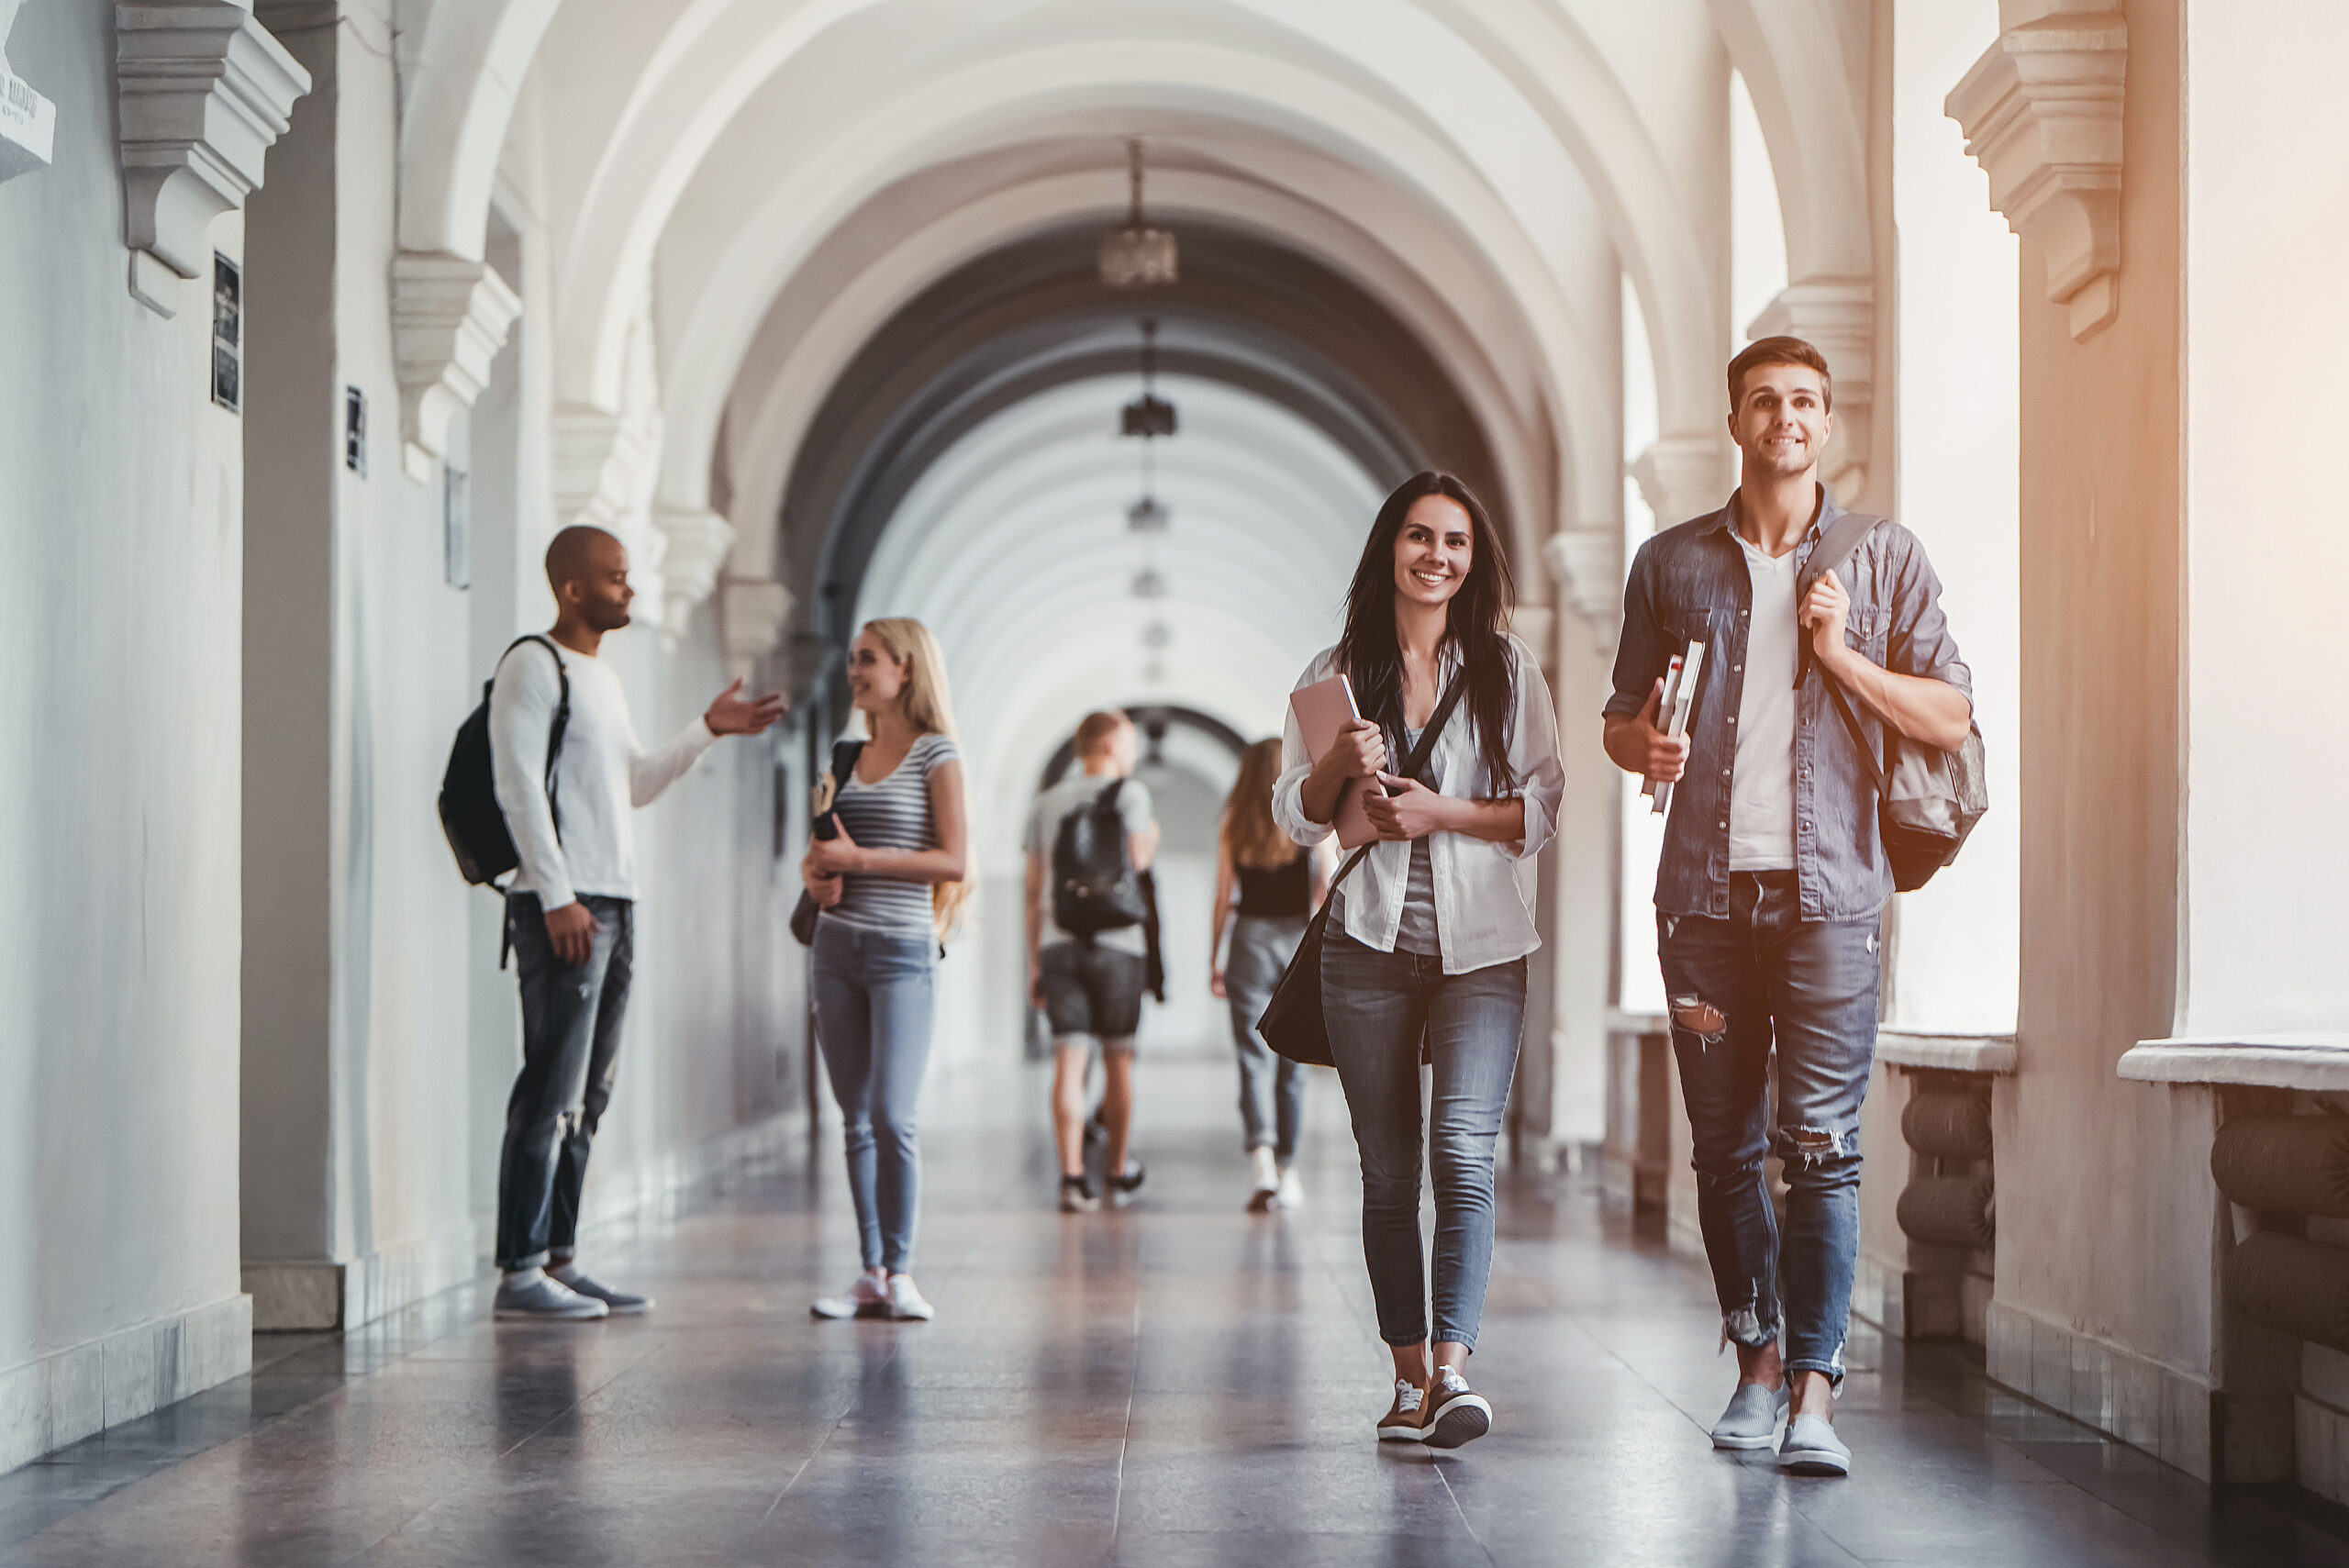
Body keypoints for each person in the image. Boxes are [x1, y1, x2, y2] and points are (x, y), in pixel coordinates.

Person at [1602, 337, 1973, 1477]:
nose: (1787, 417)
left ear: (1827, 422)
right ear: (1737, 420)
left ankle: (1815, 1390)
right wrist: (1641, 742)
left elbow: (1949, 717)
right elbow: (1618, 716)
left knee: (1821, 1149)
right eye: (1765, 400)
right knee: (1723, 1148)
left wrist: (1840, 653)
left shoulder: (1883, 558)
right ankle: (1754, 1364)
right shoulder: (1671, 564)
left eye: (1805, 400)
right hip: (1702, 905)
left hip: (1830, 902)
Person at [1272, 472, 1564, 1450]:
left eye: (1455, 542)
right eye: (1418, 537)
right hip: (1366, 946)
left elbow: (1540, 809)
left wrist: (1441, 810)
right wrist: (1335, 764)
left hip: (1483, 949)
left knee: (1462, 1154)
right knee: (1389, 1170)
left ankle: (1451, 1370)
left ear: (1472, 562)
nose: (1436, 556)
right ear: (1387, 548)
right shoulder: (1334, 669)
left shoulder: (1508, 671)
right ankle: (1405, 1379)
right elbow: (1294, 818)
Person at [489, 526, 785, 1320]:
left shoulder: (603, 681)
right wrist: (555, 896)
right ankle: (519, 1269)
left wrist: (707, 730)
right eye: (616, 578)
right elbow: (517, 787)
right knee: (549, 1085)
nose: (630, 589)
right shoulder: (533, 665)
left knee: (591, 1092)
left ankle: (560, 1255)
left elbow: (636, 784)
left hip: (615, 899)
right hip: (566, 902)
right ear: (572, 588)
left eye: (629, 576)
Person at [801, 617, 969, 1323]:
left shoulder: (938, 754)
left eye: (867, 658)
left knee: (892, 1116)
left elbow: (955, 861)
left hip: (903, 952)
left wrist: (860, 862)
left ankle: (901, 1271)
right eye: (851, 658)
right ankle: (869, 1271)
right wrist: (818, 879)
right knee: (854, 1120)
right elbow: (817, 855)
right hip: (835, 949)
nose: (854, 671)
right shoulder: (842, 752)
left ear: (906, 668)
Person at [1026, 710, 1159, 1213]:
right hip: (1120, 945)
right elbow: (1140, 860)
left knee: (1068, 1061)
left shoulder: (1045, 803)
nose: (1132, 755)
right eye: (1127, 745)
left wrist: (1034, 962)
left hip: (1060, 943)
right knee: (1118, 1060)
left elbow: (1033, 889)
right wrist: (1153, 834)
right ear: (1107, 746)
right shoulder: (1131, 794)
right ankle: (1118, 1171)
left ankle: (1071, 1179)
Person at [1208, 738, 1326, 1212]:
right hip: (1296, 942)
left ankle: (1261, 1163)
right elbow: (1326, 888)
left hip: (1248, 944)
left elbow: (1223, 899)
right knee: (1291, 1063)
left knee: (1251, 1058)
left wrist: (1212, 960)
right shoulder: (1308, 821)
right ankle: (1290, 1170)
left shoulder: (1233, 823)